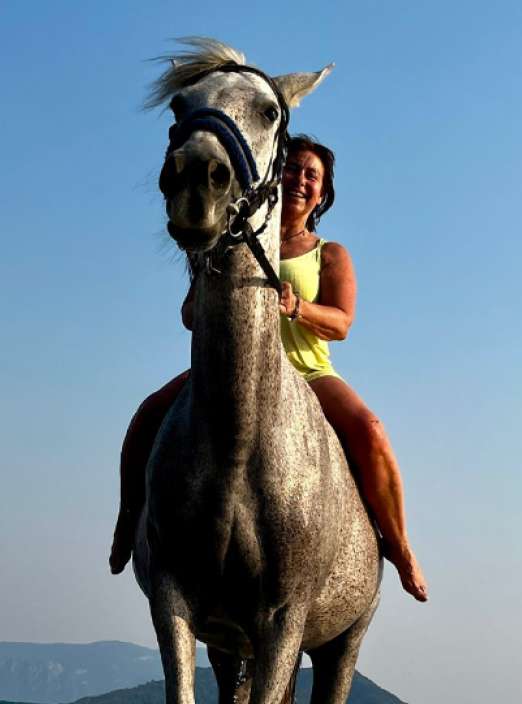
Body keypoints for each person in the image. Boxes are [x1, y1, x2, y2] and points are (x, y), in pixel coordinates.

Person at [110, 136, 427, 602]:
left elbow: (341, 323)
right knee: (147, 415)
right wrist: (219, 300)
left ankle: (400, 548)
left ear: (322, 193)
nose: (300, 180)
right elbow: (188, 313)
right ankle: (126, 522)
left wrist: (295, 305)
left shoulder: (330, 253)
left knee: (371, 430)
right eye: (292, 169)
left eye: (311, 175)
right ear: (273, 176)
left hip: (307, 371)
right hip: (229, 369)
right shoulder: (228, 238)